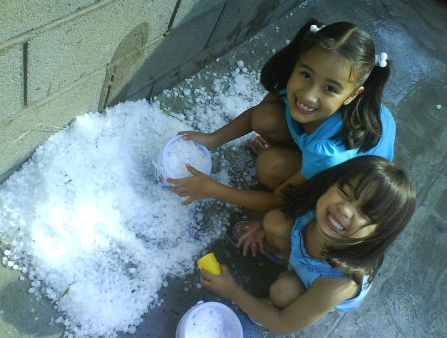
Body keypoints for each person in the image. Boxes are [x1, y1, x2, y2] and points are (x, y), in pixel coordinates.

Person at [167, 19, 395, 212]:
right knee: (265, 116)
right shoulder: (292, 84)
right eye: (306, 74)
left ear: (352, 95)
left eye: (330, 89)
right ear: (298, 63)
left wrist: (212, 189)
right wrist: (212, 139)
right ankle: (294, 153)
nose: (308, 95)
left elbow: (279, 199)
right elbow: (257, 115)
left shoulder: (329, 152)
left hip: (342, 185)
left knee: (269, 167)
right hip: (317, 143)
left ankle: (294, 170)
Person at [200, 156, 416, 334]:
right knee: (274, 221)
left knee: (283, 291)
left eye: (366, 213)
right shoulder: (317, 210)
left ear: (378, 235)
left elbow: (283, 325)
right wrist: (262, 227)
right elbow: (283, 213)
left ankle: (267, 311)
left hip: (317, 285)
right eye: (345, 192)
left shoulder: (340, 282)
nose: (346, 210)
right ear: (332, 182)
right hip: (302, 258)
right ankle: (285, 259)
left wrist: (232, 291)